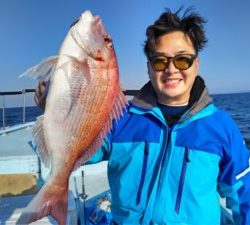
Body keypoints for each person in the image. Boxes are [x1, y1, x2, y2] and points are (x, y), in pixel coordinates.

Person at [34, 7, 250, 225]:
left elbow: (243, 195)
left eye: (182, 60)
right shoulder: (121, 119)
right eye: (159, 61)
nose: (171, 69)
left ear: (196, 64)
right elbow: (81, 149)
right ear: (149, 68)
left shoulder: (222, 128)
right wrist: (56, 106)